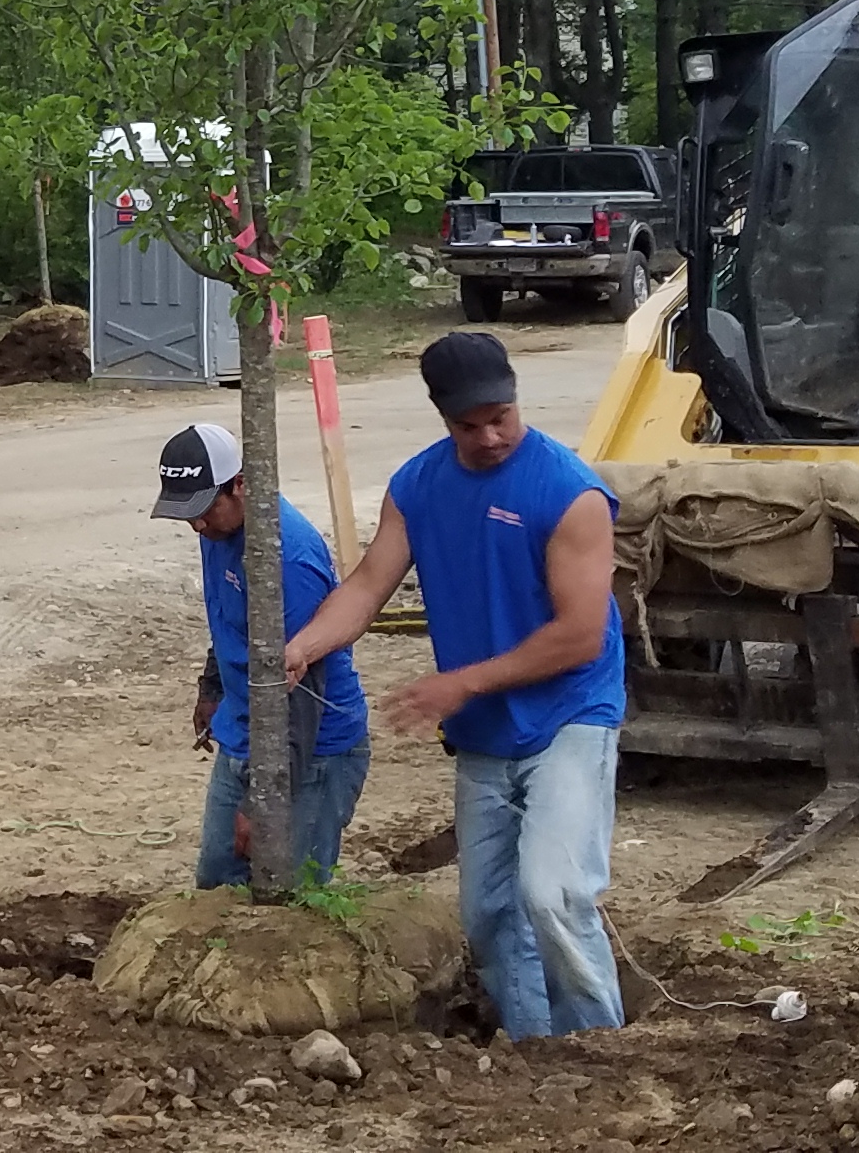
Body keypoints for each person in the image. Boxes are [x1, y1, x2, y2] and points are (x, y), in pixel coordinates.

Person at [286, 330, 625, 1037]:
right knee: (488, 912)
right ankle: (535, 1043)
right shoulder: (418, 485)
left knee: (554, 893)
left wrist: (461, 683)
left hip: (569, 715)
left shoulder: (568, 492)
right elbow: (370, 582)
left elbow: (580, 635)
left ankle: (598, 1048)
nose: (491, 436)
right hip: (484, 735)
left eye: (501, 417)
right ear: (443, 417)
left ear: (515, 397)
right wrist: (303, 646)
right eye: (469, 426)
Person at [150, 421, 368, 891]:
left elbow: (305, 687)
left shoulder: (288, 558)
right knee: (218, 880)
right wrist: (212, 688)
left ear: (241, 485)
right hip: (244, 734)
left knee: (290, 893)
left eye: (204, 508)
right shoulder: (216, 531)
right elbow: (231, 619)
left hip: (312, 752)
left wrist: (264, 800)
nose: (196, 524)